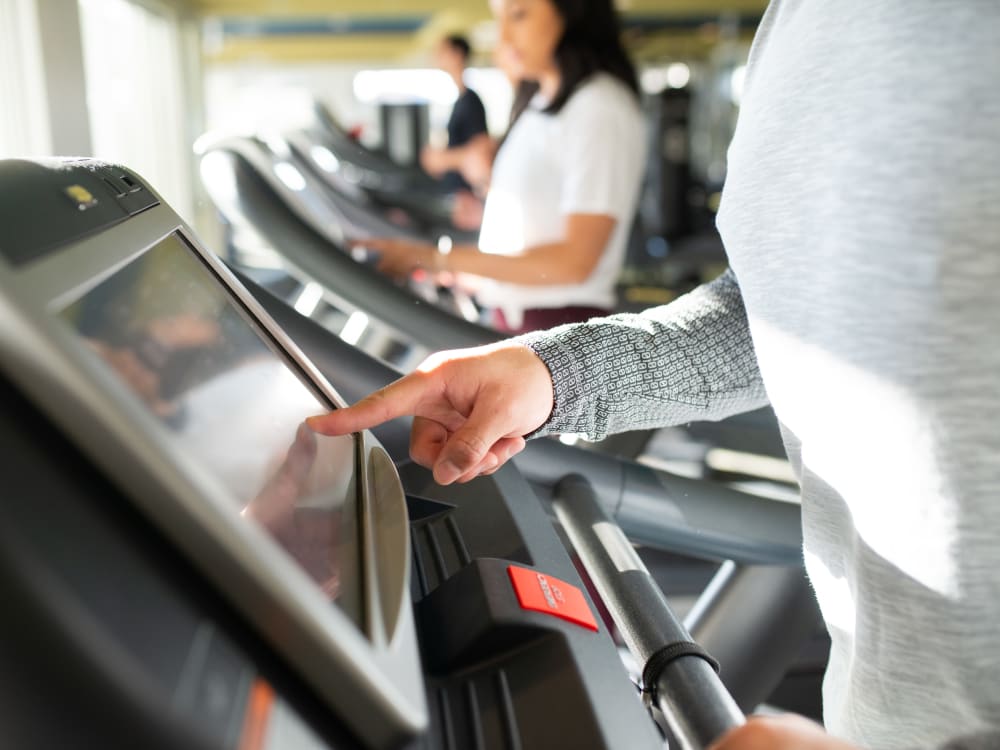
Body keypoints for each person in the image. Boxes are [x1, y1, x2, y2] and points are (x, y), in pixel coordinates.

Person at [309, 2, 1000, 748]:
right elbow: (769, 307)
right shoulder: (801, 24)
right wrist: (551, 372)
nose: (500, 32)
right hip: (876, 697)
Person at [360, 0, 646, 333]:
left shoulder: (599, 106)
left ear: (572, 13)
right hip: (517, 319)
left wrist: (432, 257)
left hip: (554, 328)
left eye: (519, 15)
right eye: (500, 20)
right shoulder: (542, 105)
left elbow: (575, 262)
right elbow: (542, 217)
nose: (504, 38)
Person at [420, 34, 490, 195]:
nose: (436, 56)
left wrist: (442, 160)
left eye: (442, 51)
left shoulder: (471, 101)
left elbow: (481, 150)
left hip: (467, 197)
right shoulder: (460, 100)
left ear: (457, 55)